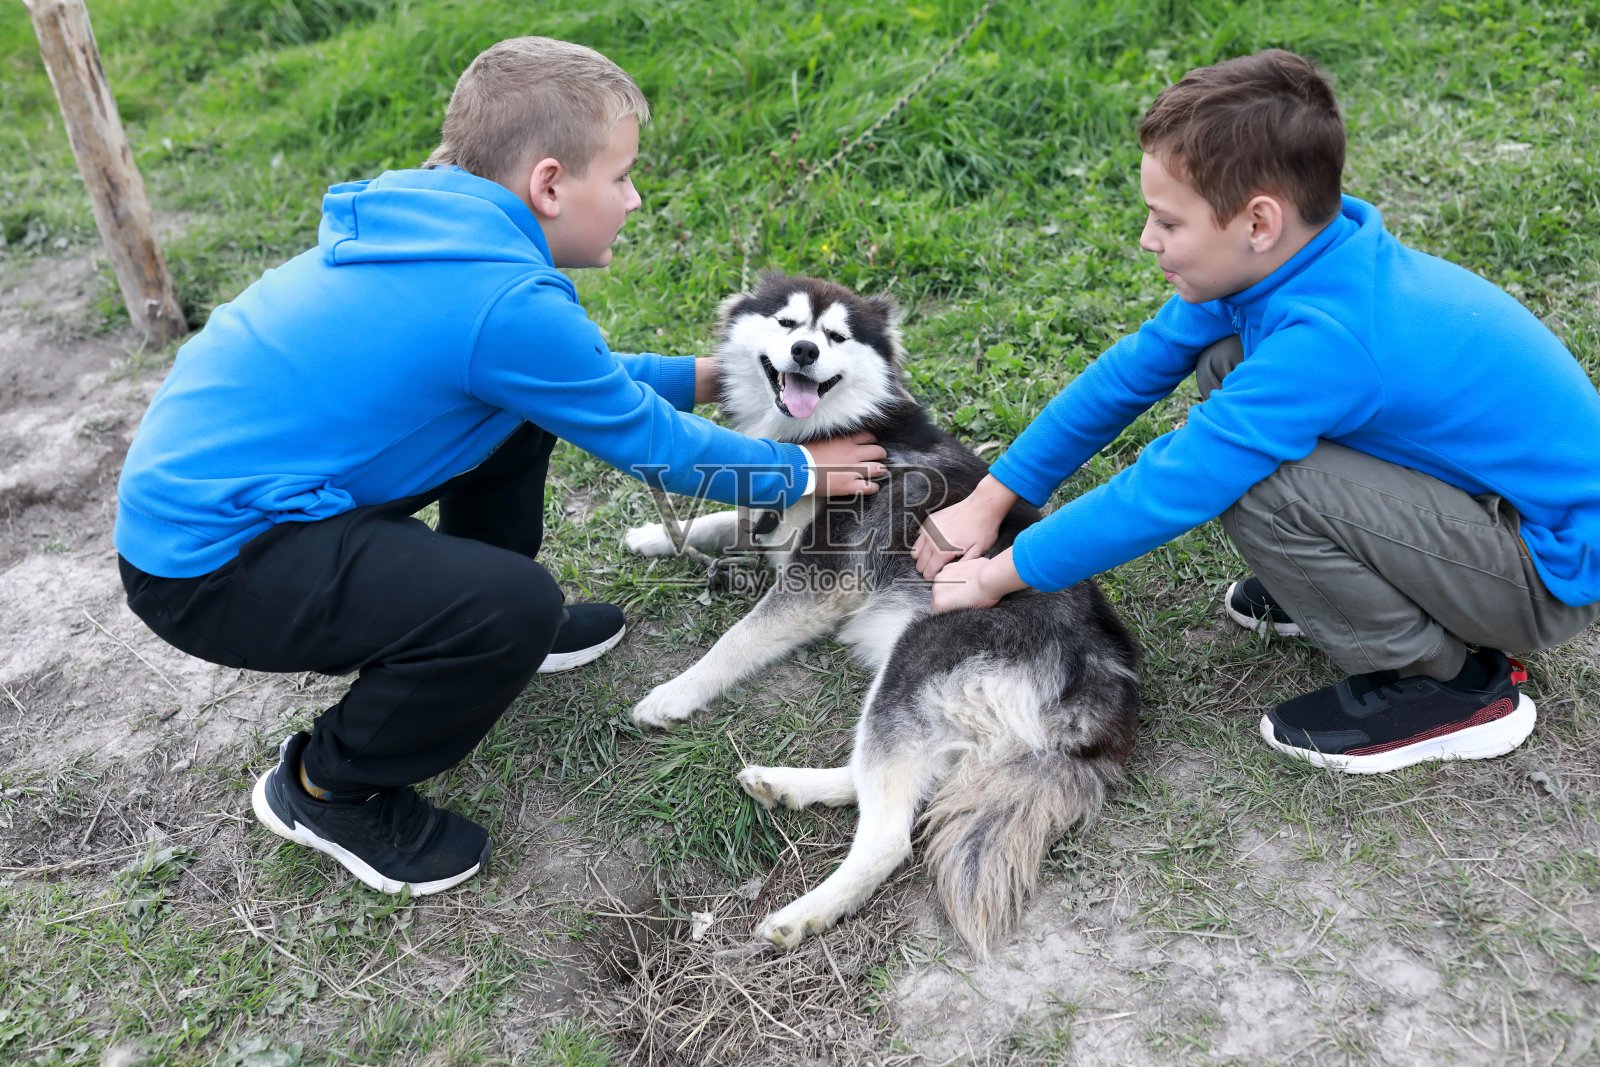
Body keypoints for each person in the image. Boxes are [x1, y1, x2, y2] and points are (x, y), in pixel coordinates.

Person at [114, 36, 886, 894]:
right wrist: (804, 475)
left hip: (237, 501)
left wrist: (709, 376)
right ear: (550, 185)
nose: (635, 198)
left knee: (516, 423)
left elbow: (566, 378)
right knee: (505, 608)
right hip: (212, 565)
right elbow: (660, 450)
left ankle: (486, 621)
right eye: (623, 175)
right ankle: (328, 785)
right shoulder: (503, 301)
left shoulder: (439, 232)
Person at [912, 49, 1600, 775]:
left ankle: (1449, 685)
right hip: (1494, 512)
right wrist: (993, 499)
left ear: (1258, 221)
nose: (1148, 239)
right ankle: (1352, 585)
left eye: (1167, 221)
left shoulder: (1329, 338)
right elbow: (1128, 373)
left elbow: (1175, 483)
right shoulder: (1304, 260)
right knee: (1225, 363)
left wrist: (1001, 575)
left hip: (1542, 570)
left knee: (1255, 477)